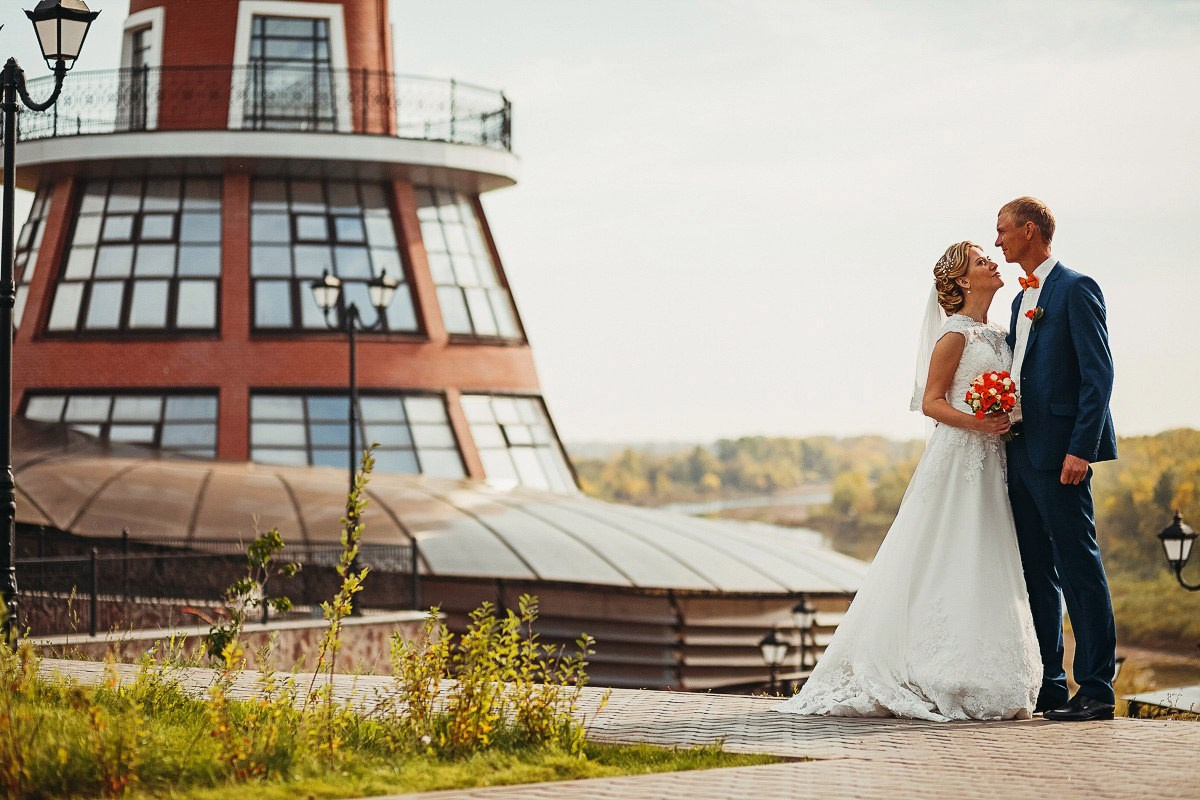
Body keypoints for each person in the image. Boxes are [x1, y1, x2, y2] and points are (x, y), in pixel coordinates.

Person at [773, 241, 1041, 721]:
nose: (992, 264)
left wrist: (1006, 413)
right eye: (982, 262)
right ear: (961, 281)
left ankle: (982, 671)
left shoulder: (1001, 335)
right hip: (960, 457)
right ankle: (928, 668)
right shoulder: (954, 336)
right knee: (945, 553)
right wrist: (979, 422)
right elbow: (933, 402)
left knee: (985, 555)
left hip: (994, 460)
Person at [996, 197, 1118, 722]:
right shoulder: (1018, 300)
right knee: (1035, 573)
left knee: (1078, 570)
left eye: (1002, 230)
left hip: (1062, 455)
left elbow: (1099, 377)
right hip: (1019, 452)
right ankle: (1049, 685)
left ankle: (1095, 689)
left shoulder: (1076, 288)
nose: (997, 240)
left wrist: (1080, 451)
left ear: (1029, 231)